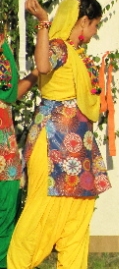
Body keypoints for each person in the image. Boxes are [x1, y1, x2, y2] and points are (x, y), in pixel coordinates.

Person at [9, 0, 112, 269]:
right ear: (84, 21)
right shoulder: (59, 48)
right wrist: (44, 23)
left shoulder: (77, 56)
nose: (96, 31)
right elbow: (42, 66)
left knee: (78, 219)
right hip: (54, 145)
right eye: (95, 25)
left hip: (79, 148)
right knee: (40, 213)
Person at [0, 31, 39, 269]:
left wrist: (36, 74)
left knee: (5, 215)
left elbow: (9, 93)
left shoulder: (2, 41)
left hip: (5, 144)